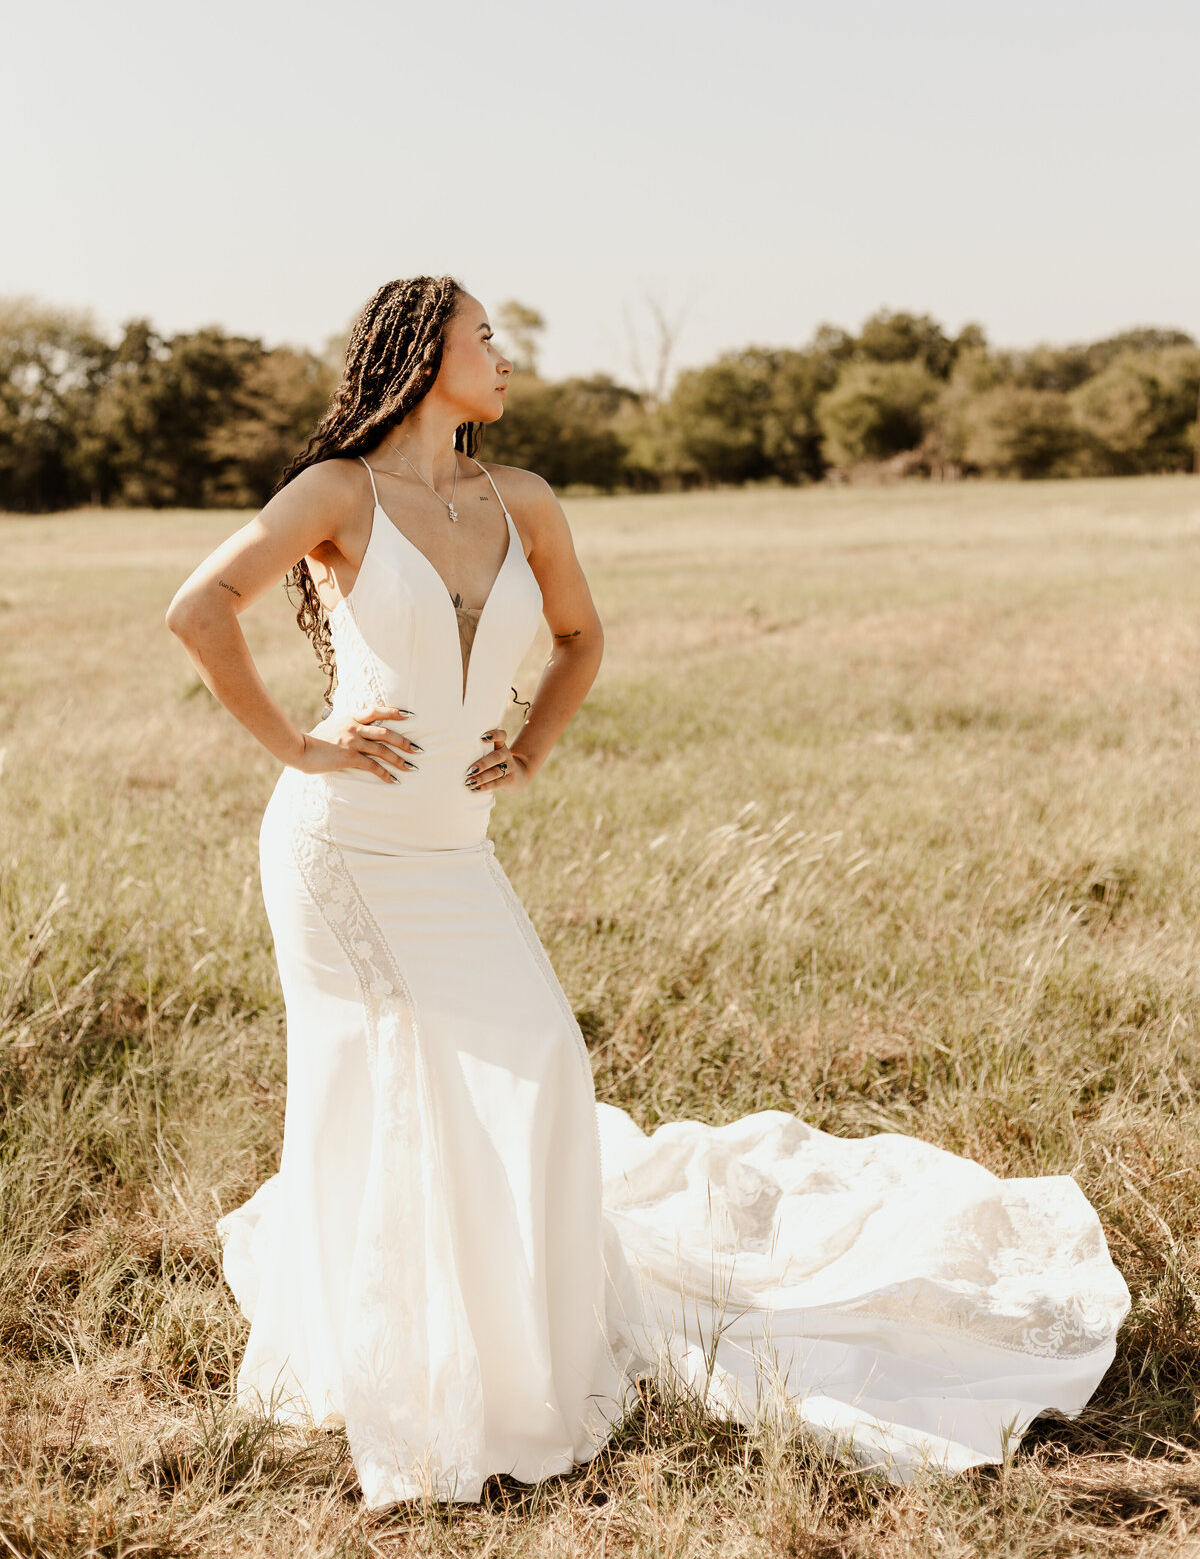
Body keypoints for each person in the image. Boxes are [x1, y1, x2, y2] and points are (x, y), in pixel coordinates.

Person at [166, 275, 1129, 1509]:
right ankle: (405, 1365)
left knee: (546, 1070)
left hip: (455, 852)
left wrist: (533, 745)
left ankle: (519, 1348)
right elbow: (200, 610)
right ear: (422, 354)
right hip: (341, 848)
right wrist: (303, 747)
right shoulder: (340, 492)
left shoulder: (525, 502)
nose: (504, 358)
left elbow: (580, 638)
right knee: (388, 1088)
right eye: (486, 338)